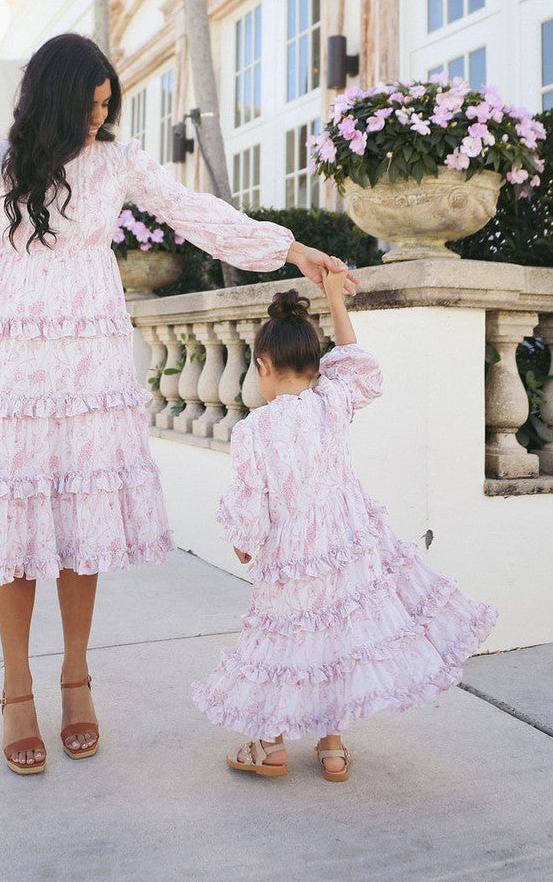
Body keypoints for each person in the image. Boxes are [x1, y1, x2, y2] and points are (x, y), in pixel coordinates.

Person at [0, 33, 347, 776]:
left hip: (91, 364)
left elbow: (192, 210)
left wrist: (290, 249)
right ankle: (17, 687)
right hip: (9, 364)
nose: (95, 120)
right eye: (87, 105)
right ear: (53, 98)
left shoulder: (116, 162)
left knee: (82, 522)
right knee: (13, 523)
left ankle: (75, 676)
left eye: (106, 107)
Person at [192, 276, 497, 780]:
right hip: (349, 546)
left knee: (285, 639)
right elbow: (354, 358)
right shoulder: (331, 403)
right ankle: (332, 747)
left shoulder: (254, 432)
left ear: (263, 367)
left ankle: (270, 745)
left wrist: (244, 545)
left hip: (293, 555)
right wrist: (335, 298)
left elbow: (252, 499)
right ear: (316, 368)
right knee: (336, 638)